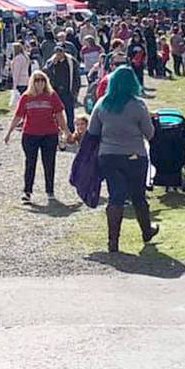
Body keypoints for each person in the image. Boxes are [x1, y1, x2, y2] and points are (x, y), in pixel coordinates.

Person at [89, 66, 157, 252]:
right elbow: (150, 133)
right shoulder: (138, 105)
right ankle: (146, 231)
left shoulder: (102, 104)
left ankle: (113, 241)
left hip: (108, 155)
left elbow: (92, 131)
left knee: (115, 196)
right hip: (134, 155)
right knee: (138, 196)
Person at [4, 70, 70, 203]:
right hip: (30, 134)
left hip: (49, 134)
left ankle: (50, 190)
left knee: (49, 163)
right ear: (32, 82)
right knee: (30, 163)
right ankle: (27, 192)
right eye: (37, 80)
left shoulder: (52, 96)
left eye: (42, 80)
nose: (40, 83)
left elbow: (59, 115)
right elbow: (18, 116)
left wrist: (66, 131)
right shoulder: (26, 97)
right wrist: (9, 132)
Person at [45, 44, 79, 132]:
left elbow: (76, 76)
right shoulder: (51, 62)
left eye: (60, 51)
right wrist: (53, 64)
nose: (59, 54)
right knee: (55, 111)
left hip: (67, 90)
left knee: (69, 112)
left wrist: (76, 90)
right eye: (57, 52)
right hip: (55, 91)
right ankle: (55, 129)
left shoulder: (71, 61)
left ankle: (71, 130)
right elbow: (45, 72)